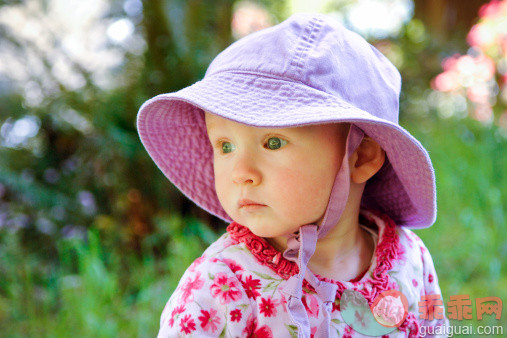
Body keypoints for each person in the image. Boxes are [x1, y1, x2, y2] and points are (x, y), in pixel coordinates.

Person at [137, 13, 448, 337]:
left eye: (273, 142)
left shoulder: (409, 261)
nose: (242, 173)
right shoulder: (220, 287)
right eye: (225, 146)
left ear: (361, 157)